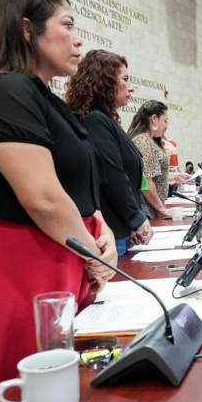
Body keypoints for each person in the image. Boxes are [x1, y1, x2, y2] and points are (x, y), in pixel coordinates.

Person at [0, 0, 118, 402]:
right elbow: (42, 197)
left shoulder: (41, 97)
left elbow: (75, 186)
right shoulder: (4, 90)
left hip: (57, 262)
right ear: (27, 30)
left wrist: (103, 228)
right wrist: (92, 252)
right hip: (16, 274)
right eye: (67, 24)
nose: (78, 38)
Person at [66, 50, 152, 256]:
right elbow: (112, 175)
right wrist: (136, 219)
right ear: (105, 82)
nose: (131, 87)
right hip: (111, 235)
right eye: (125, 79)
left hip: (121, 230)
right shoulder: (95, 120)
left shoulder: (105, 120)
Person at [128, 101, 190, 218]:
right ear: (154, 119)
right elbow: (146, 182)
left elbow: (153, 175)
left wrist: (174, 176)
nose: (166, 126)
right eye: (165, 121)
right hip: (146, 211)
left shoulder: (148, 140)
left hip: (151, 209)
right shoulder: (144, 141)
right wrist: (162, 209)